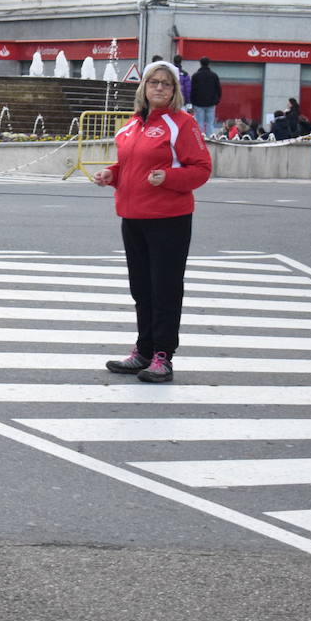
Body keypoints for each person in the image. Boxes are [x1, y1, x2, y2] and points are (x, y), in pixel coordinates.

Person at [93, 60, 212, 384]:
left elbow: (201, 168)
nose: (159, 88)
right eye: (153, 82)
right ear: (143, 87)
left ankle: (163, 355)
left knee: (165, 289)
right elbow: (128, 165)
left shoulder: (182, 123)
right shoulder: (132, 125)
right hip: (132, 216)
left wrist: (169, 177)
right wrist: (111, 174)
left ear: (174, 91)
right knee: (141, 289)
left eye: (166, 83)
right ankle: (143, 350)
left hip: (169, 218)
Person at [190, 56, 221, 136]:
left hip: (198, 103)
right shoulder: (214, 76)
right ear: (208, 64)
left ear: (200, 64)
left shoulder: (196, 76)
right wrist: (217, 100)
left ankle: (200, 139)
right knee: (210, 123)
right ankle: (210, 138)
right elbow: (218, 89)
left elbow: (192, 90)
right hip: (211, 103)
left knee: (199, 122)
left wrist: (192, 101)